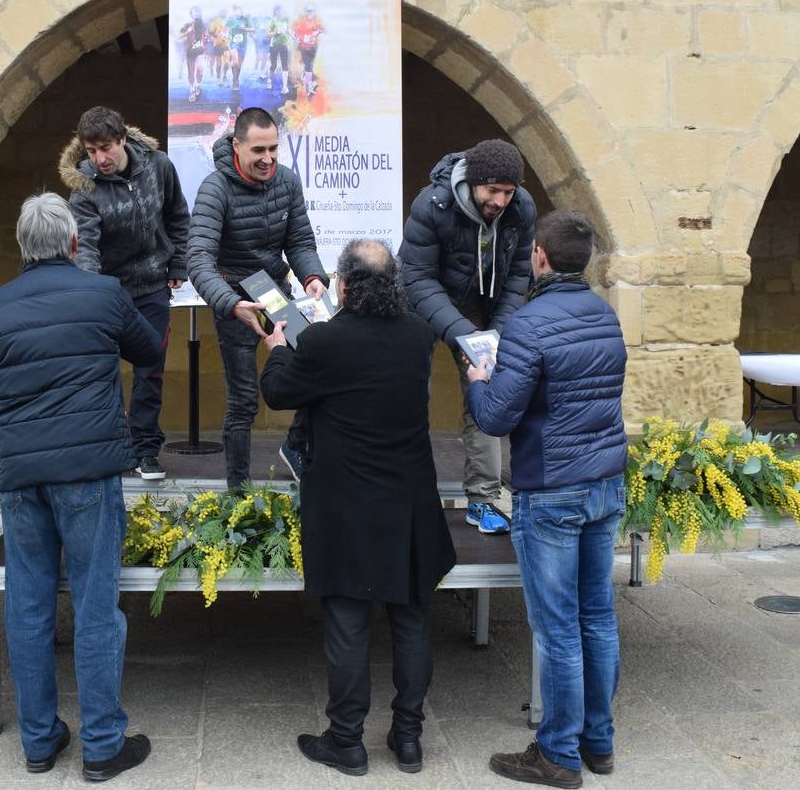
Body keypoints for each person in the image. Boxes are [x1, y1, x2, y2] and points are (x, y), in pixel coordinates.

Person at [0, 192, 158, 782]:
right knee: (97, 608)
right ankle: (101, 746)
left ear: (23, 248)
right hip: (89, 477)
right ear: (75, 243)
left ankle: (40, 743)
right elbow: (150, 350)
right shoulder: (103, 294)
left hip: (23, 479)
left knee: (27, 608)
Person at [259, 239, 456, 777]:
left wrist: (279, 344)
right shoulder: (420, 336)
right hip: (410, 500)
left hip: (346, 504)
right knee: (412, 618)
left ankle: (347, 742)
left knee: (348, 622)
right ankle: (409, 737)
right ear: (392, 284)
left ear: (342, 286)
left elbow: (278, 392)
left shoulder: (326, 340)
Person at [464, 211, 627, 789]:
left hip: (553, 490)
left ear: (538, 256)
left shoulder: (528, 325)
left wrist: (478, 376)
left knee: (558, 627)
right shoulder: (606, 316)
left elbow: (495, 416)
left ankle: (557, 754)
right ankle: (598, 744)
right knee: (597, 617)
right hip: (606, 484)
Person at [400, 138, 537, 535]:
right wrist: (465, 334)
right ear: (474, 183)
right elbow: (418, 279)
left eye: (508, 192)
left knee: (486, 395)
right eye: (492, 190)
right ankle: (410, 496)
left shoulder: (521, 208)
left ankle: (483, 500)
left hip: (483, 307)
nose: (500, 200)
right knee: (410, 399)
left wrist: (496, 332)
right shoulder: (432, 204)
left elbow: (518, 275)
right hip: (421, 306)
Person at [186, 106, 327, 490]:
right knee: (244, 400)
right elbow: (198, 258)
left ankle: (296, 445)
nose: (267, 159)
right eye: (258, 151)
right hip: (236, 303)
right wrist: (231, 304)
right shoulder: (215, 188)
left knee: (317, 372)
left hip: (277, 295)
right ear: (237, 146)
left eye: (274, 149)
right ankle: (238, 492)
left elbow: (299, 242)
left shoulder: (286, 181)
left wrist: (313, 277)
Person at [60, 106, 191, 482]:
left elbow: (178, 216)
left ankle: (146, 449)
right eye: (90, 151)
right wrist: (90, 291)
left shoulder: (159, 165)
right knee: (103, 369)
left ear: (122, 140)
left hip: (152, 285)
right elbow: (84, 245)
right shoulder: (84, 186)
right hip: (108, 290)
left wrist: (177, 264)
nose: (99, 158)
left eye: (105, 148)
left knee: (151, 370)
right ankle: (112, 446)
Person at [292, 3, 325, 96]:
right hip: (303, 46)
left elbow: (324, 30)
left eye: (312, 11)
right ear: (306, 12)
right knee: (308, 66)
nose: (310, 13)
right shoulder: (302, 22)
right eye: (309, 11)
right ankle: (308, 86)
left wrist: (318, 31)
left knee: (309, 65)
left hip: (313, 46)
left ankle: (308, 83)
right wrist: (298, 37)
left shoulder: (316, 22)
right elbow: (295, 31)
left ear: (314, 12)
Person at [178, 6, 208, 101]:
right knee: (191, 73)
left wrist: (206, 42)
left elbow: (208, 36)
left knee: (200, 70)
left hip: (200, 51)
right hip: (190, 52)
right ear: (191, 14)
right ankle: (192, 90)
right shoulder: (187, 25)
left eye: (198, 12)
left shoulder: (204, 25)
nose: (196, 14)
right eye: (194, 12)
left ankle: (198, 85)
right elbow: (179, 36)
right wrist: (187, 33)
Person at [266, 5, 292, 94]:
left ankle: (285, 87)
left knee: (285, 66)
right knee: (273, 65)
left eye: (281, 10)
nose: (280, 12)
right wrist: (276, 32)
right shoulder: (273, 20)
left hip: (284, 45)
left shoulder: (286, 19)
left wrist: (293, 36)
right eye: (278, 11)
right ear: (275, 12)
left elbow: (289, 30)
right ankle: (270, 80)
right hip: (274, 45)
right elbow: (268, 34)